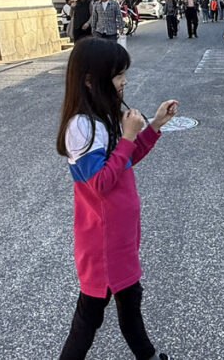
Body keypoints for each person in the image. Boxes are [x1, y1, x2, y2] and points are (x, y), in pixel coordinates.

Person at [55, 38, 177, 360]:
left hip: (119, 238)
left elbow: (125, 160)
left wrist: (154, 125)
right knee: (90, 317)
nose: (125, 81)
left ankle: (148, 355)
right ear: (90, 80)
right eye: (119, 75)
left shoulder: (102, 118)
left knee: (130, 302)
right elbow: (100, 184)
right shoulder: (81, 127)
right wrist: (127, 136)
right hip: (103, 244)